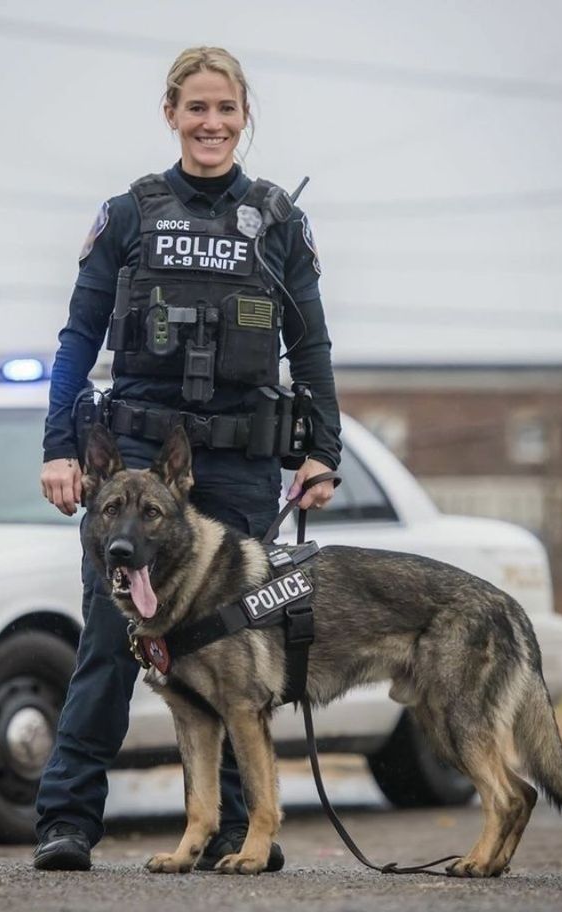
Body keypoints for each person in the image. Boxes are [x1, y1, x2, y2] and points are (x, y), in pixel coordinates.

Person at [34, 46, 342, 873]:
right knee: (109, 641)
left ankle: (239, 832)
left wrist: (323, 452)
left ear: (245, 116)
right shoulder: (128, 213)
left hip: (240, 465)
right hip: (133, 466)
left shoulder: (279, 220)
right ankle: (66, 822)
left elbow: (309, 345)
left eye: (226, 110)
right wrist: (60, 445)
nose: (211, 124)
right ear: (170, 112)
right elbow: (77, 339)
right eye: (196, 108)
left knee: (236, 652)